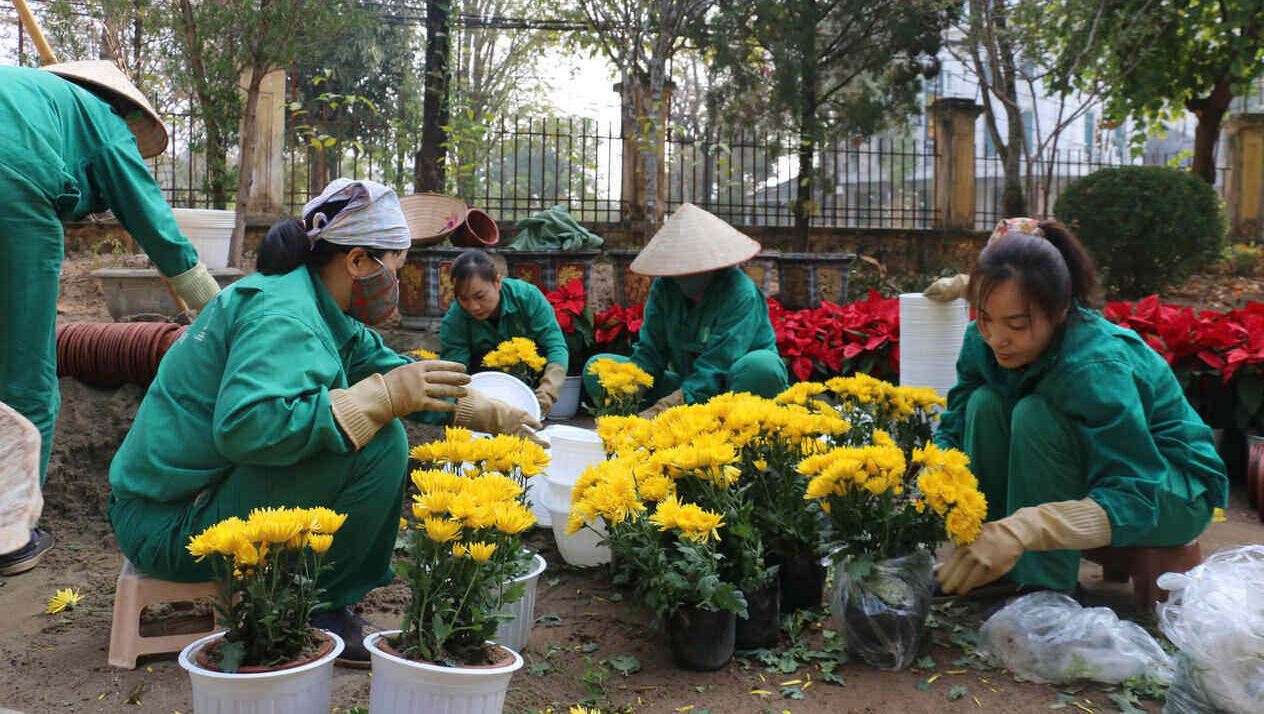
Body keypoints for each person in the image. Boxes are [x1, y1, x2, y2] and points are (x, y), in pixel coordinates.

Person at [108, 179, 540, 665]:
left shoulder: (313, 304)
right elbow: (247, 426)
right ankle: (322, 608)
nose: (397, 281)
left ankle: (308, 591)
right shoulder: (284, 314)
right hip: (168, 523)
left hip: (188, 497)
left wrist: (476, 409)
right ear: (356, 261)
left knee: (375, 425)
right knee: (379, 444)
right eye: (394, 266)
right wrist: (377, 402)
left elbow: (387, 368)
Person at [0, 61, 221, 576]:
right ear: (124, 110)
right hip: (12, 188)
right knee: (27, 373)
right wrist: (225, 311)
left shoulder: (31, 94)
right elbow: (159, 230)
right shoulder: (104, 122)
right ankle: (9, 534)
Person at [933, 218, 1229, 596]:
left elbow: (1132, 492)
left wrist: (1024, 529)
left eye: (1017, 325)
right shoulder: (983, 341)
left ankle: (1043, 590)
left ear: (1058, 312)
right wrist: (936, 480)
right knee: (983, 403)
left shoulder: (1095, 366)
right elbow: (955, 424)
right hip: (1095, 467)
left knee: (1034, 415)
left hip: (1168, 488)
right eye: (987, 319)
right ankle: (987, 563)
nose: (998, 339)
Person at [583, 202, 788, 418]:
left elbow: (717, 366)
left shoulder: (740, 292)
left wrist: (665, 409)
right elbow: (649, 353)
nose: (684, 274)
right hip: (688, 384)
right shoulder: (664, 288)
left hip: (733, 388)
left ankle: (730, 432)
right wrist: (629, 390)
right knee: (599, 368)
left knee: (762, 367)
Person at [439, 249, 569, 418]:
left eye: (480, 296)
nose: (473, 307)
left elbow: (556, 347)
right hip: (483, 389)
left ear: (498, 282)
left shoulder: (528, 297)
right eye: (463, 299)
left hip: (531, 380)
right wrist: (465, 411)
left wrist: (547, 392)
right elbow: (455, 373)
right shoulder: (454, 320)